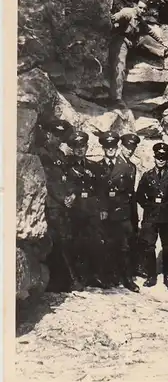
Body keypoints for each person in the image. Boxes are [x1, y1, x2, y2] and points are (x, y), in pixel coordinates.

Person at [136, 142, 168, 291]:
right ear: (154, 158)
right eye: (158, 157)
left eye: (163, 157)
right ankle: (151, 276)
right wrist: (148, 206)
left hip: (167, 216)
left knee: (167, 247)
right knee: (149, 247)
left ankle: (167, 277)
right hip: (151, 216)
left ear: (167, 159)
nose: (161, 160)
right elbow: (139, 195)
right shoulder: (147, 175)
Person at [35, 117, 77, 292]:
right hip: (51, 205)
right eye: (55, 134)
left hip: (62, 206)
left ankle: (63, 281)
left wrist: (72, 194)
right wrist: (63, 199)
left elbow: (67, 178)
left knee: (64, 240)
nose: (57, 138)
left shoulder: (61, 155)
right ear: (48, 133)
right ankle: (53, 282)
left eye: (60, 135)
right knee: (53, 242)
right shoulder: (42, 154)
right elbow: (48, 181)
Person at [95, 131, 140, 292]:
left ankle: (127, 279)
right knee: (107, 245)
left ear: (117, 146)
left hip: (122, 213)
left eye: (113, 146)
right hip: (105, 213)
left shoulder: (127, 167)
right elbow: (98, 193)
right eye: (107, 146)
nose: (110, 149)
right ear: (103, 148)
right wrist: (102, 209)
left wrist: (133, 216)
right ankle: (108, 276)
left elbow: (130, 193)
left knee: (124, 247)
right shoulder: (97, 167)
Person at [108, 0, 168, 109]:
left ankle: (161, 51)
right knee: (120, 66)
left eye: (144, 9)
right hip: (120, 40)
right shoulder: (127, 12)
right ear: (136, 5)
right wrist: (114, 24)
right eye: (140, 8)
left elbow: (150, 31)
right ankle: (116, 98)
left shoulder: (140, 20)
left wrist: (162, 41)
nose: (142, 11)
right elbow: (113, 18)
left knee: (144, 38)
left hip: (132, 41)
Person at [64, 130, 106, 289]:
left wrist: (102, 208)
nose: (80, 149)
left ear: (87, 147)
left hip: (91, 210)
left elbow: (101, 190)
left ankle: (92, 276)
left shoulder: (94, 167)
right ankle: (76, 278)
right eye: (76, 146)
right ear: (72, 148)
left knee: (93, 243)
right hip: (74, 211)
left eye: (82, 146)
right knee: (75, 243)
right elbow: (65, 185)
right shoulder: (66, 165)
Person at [118, 133, 141, 276]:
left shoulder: (132, 167)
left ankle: (128, 273)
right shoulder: (116, 164)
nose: (129, 150)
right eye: (127, 147)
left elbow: (131, 191)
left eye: (132, 148)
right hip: (117, 208)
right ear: (121, 146)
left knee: (129, 240)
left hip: (129, 208)